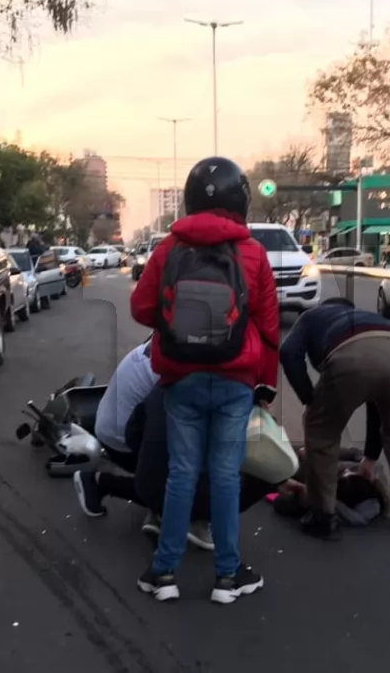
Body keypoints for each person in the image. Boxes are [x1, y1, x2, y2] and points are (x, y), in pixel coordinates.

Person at [130, 156, 280, 605]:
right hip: (236, 381)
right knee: (226, 476)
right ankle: (227, 578)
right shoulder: (253, 253)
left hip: (181, 377)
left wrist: (179, 319)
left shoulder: (169, 249)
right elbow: (270, 327)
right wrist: (265, 385)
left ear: (190, 199)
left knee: (181, 473)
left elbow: (140, 309)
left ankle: (164, 573)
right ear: (243, 199)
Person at [280, 296, 390, 541]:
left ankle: (323, 516)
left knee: (322, 433)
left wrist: (309, 399)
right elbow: (376, 404)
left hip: (351, 355)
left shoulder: (312, 317)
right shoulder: (367, 317)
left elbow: (288, 352)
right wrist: (369, 458)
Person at [76, 384, 278, 543]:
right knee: (261, 474)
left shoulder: (165, 381)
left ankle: (162, 512)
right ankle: (192, 521)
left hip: (143, 474)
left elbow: (133, 435)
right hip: (178, 485)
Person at [75, 339, 214, 549]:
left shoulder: (166, 341)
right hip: (123, 438)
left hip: (112, 426)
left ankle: (161, 506)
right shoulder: (179, 367)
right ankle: (100, 483)